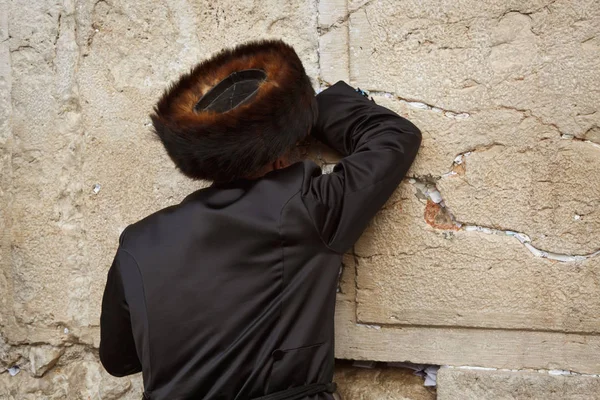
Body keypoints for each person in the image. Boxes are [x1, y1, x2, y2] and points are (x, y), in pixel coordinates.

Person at [99, 38, 421, 400]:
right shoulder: (301, 210)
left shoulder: (138, 242)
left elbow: (119, 360)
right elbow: (393, 138)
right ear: (281, 154)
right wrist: (304, 109)